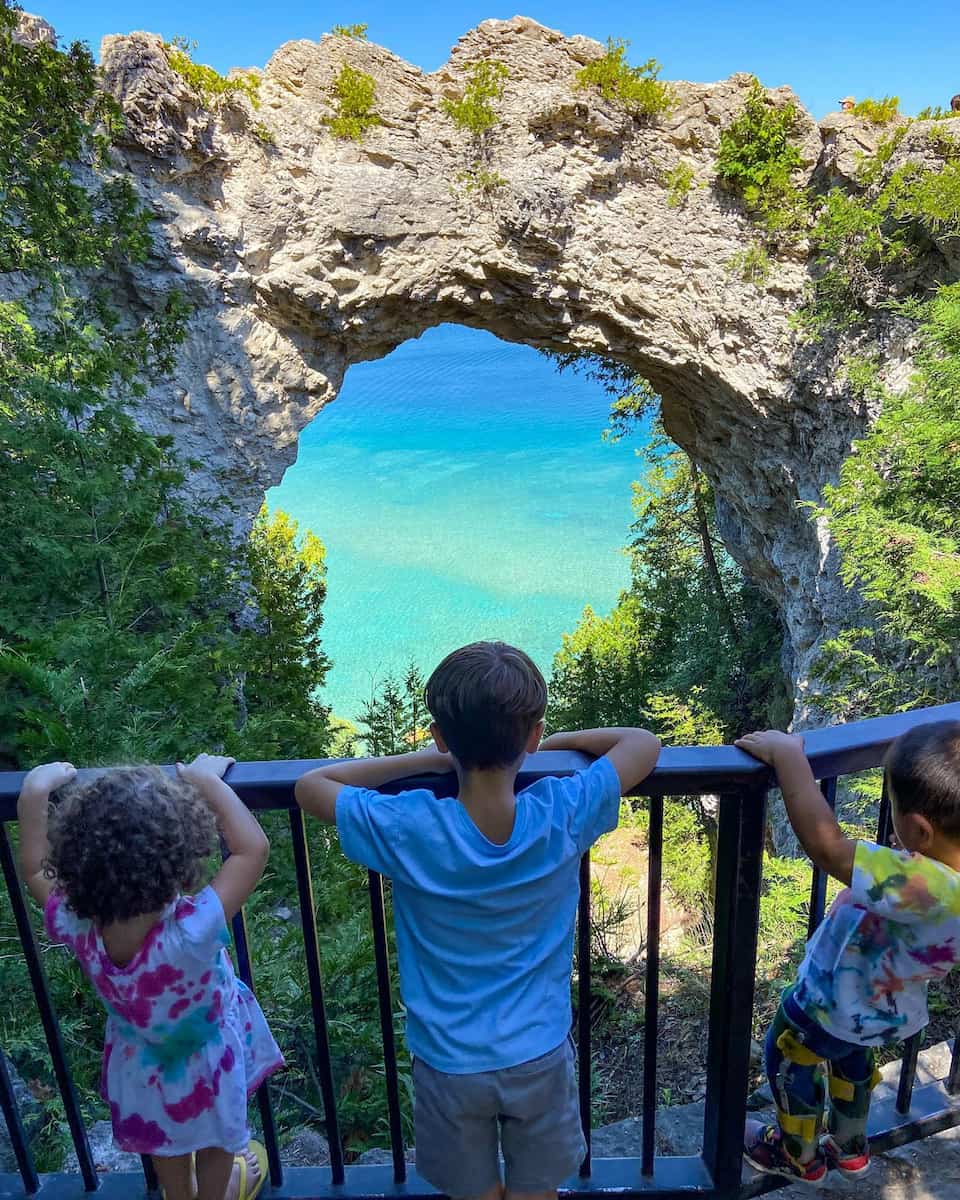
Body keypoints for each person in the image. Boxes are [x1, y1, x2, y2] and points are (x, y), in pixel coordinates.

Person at [296, 641, 661, 1200]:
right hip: (538, 1051)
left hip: (448, 1060)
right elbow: (642, 743)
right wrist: (552, 745)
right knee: (537, 1190)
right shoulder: (563, 811)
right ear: (532, 735)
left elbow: (312, 786)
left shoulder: (410, 826)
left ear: (442, 736)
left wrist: (424, 759)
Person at [17, 755, 283, 1200]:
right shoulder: (192, 930)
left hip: (142, 1067)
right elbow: (251, 849)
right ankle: (220, 1191)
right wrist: (206, 782)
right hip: (206, 1064)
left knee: (167, 1141)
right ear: (178, 858)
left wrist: (32, 796)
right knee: (218, 1137)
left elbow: (33, 870)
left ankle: (178, 1195)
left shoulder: (77, 925)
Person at [735, 721, 960, 1186]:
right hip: (886, 1011)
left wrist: (787, 755)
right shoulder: (935, 878)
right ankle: (852, 1148)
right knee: (853, 1064)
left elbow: (829, 847)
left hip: (828, 1001)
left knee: (786, 1058)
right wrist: (920, 855)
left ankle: (798, 1154)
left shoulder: (925, 886)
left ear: (920, 829)